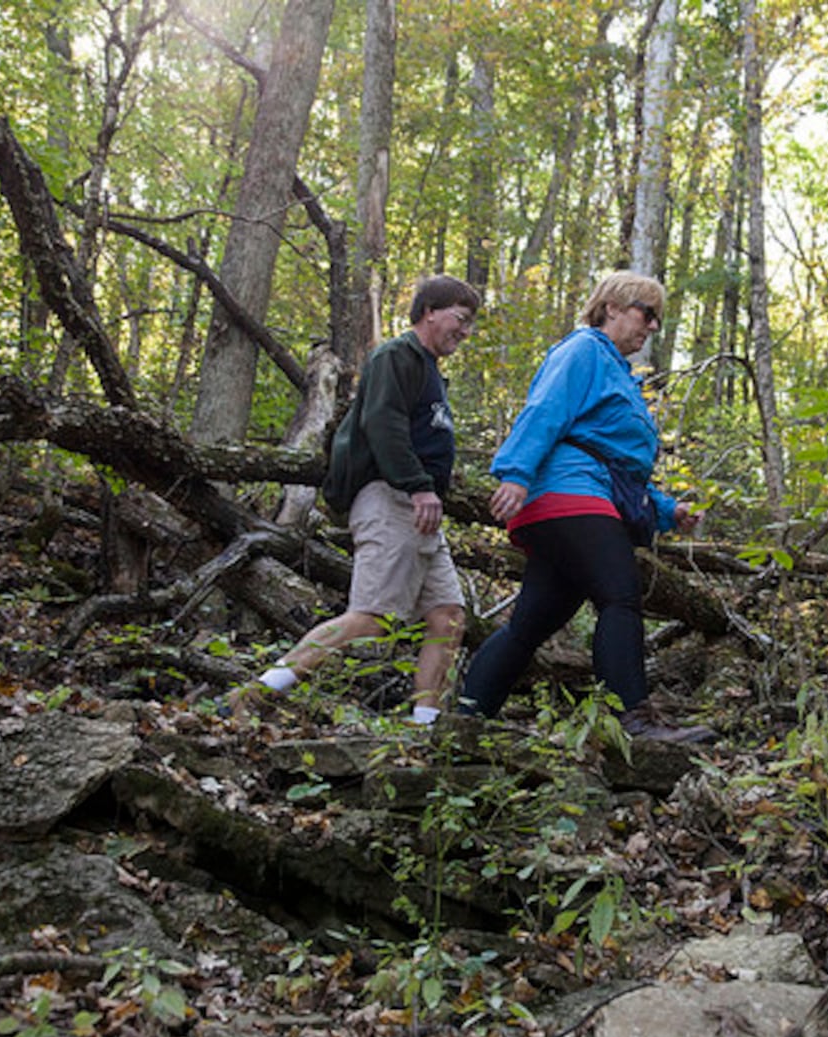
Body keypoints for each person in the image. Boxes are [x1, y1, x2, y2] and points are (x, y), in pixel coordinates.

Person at [459, 270, 716, 744]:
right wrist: (516, 473)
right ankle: (632, 721)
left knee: (532, 622)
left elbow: (619, 464)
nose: (653, 327)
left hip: (578, 497)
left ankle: (467, 717)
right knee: (619, 594)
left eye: (658, 318)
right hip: (567, 493)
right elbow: (545, 409)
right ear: (612, 307)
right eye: (647, 313)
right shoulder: (582, 350)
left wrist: (666, 509)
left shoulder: (620, 374)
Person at [224, 274, 482, 723]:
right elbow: (383, 423)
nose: (465, 331)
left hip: (421, 512)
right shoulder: (395, 357)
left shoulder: (428, 370)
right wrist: (418, 485)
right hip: (392, 500)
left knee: (447, 615)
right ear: (429, 312)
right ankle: (256, 693)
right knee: (370, 619)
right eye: (460, 319)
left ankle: (424, 728)